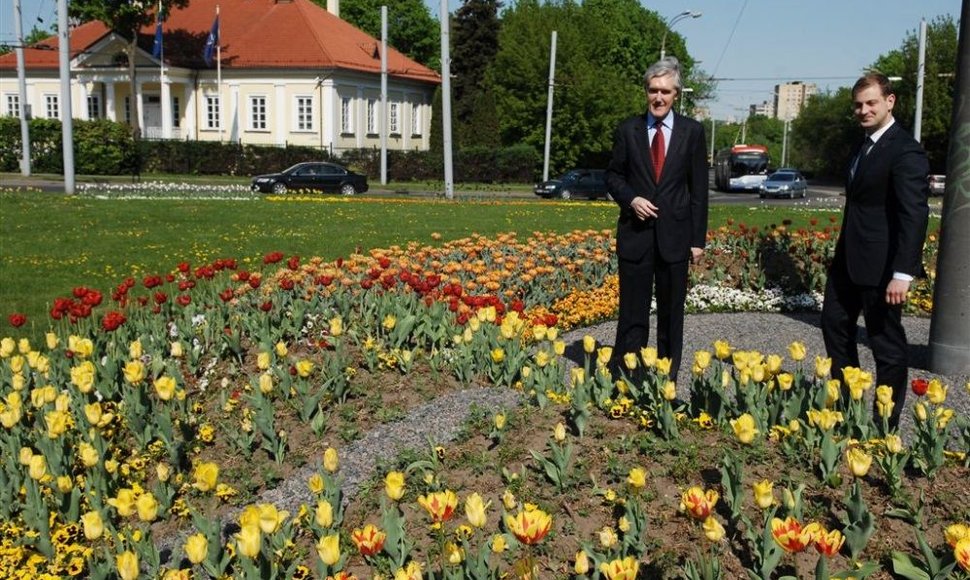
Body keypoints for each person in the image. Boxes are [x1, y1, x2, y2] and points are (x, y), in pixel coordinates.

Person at [821, 73, 929, 429]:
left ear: (890, 101)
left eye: (871, 103)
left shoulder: (905, 151)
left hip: (883, 269)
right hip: (848, 263)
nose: (863, 110)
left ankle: (885, 424)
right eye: (858, 105)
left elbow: (913, 214)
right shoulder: (862, 145)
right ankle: (847, 410)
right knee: (834, 325)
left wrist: (903, 273)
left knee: (887, 345)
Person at [605, 56, 708, 382]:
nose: (659, 98)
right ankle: (626, 376)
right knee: (632, 313)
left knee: (670, 313)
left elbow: (699, 190)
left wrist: (697, 240)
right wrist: (631, 198)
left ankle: (666, 379)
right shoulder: (628, 130)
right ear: (646, 92)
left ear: (677, 93)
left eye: (665, 91)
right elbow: (612, 176)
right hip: (635, 236)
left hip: (675, 238)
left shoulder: (692, 132)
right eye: (653, 90)